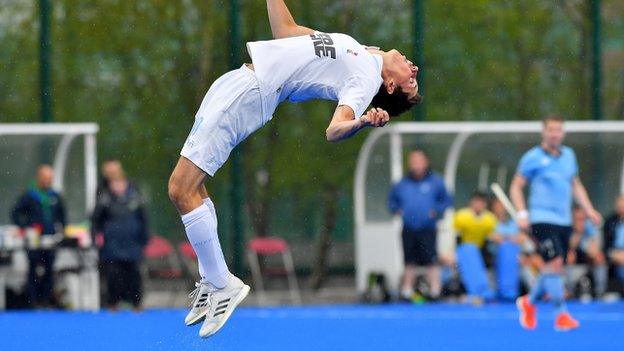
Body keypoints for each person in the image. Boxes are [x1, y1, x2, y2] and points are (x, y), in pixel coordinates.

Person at [167, 0, 422, 338]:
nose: (415, 70)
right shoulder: (358, 51)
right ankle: (214, 282)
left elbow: (334, 130)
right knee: (193, 189)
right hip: (238, 82)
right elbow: (285, 32)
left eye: (411, 82)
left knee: (180, 189)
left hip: (250, 92)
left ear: (389, 86)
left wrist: (362, 121)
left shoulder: (364, 78)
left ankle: (222, 284)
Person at [510, 115, 601, 331]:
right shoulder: (532, 157)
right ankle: (561, 315)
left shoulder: (569, 156)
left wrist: (589, 210)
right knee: (555, 263)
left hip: (564, 220)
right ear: (543, 132)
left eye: (558, 129)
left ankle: (529, 302)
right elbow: (516, 186)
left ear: (563, 132)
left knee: (555, 265)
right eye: (550, 129)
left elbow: (576, 185)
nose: (554, 133)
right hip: (542, 219)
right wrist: (522, 213)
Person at [388, 150, 452, 301]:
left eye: (419, 161)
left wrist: (436, 211)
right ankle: (407, 291)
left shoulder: (435, 182)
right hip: (409, 227)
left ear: (426, 162)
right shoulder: (402, 184)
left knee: (431, 259)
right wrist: (397, 210)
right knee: (409, 260)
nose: (416, 164)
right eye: (413, 161)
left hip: (428, 228)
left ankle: (435, 291)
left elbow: (446, 200)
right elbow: (391, 202)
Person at [91, 168, 149, 311]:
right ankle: (113, 304)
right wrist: (96, 239)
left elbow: (144, 221)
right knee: (113, 277)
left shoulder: (135, 198)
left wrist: (144, 240)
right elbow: (95, 221)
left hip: (132, 246)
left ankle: (136, 305)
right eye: (114, 183)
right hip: (112, 247)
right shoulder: (104, 200)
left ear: (125, 183)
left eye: (119, 182)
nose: (117, 186)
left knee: (134, 276)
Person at [11, 165, 66, 307]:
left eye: (50, 178)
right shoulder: (30, 195)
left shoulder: (55, 196)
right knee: (33, 270)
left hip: (50, 239)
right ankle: (32, 302)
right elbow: (15, 213)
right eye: (45, 178)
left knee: (49, 270)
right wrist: (25, 227)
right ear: (39, 178)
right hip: (34, 239)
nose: (48, 181)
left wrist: (62, 230)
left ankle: (47, 300)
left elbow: (63, 216)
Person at [454, 192, 497, 303]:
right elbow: (454, 237)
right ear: (471, 202)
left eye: (481, 202)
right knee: (469, 250)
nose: (478, 205)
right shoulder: (461, 216)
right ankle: (477, 292)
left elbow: (494, 237)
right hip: (464, 251)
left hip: (481, 251)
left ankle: (487, 292)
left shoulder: (490, 219)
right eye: (476, 201)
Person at [567, 207, 607, 299]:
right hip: (573, 265)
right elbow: (569, 247)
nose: (581, 222)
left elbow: (594, 251)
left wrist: (589, 251)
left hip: (589, 262)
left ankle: (600, 293)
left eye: (583, 219)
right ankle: (570, 292)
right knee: (570, 256)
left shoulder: (591, 228)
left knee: (599, 257)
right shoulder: (567, 228)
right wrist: (578, 233)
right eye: (578, 219)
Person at [603, 195, 624, 292]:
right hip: (614, 254)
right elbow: (606, 245)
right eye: (619, 205)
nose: (621, 207)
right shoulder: (609, 222)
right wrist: (613, 254)